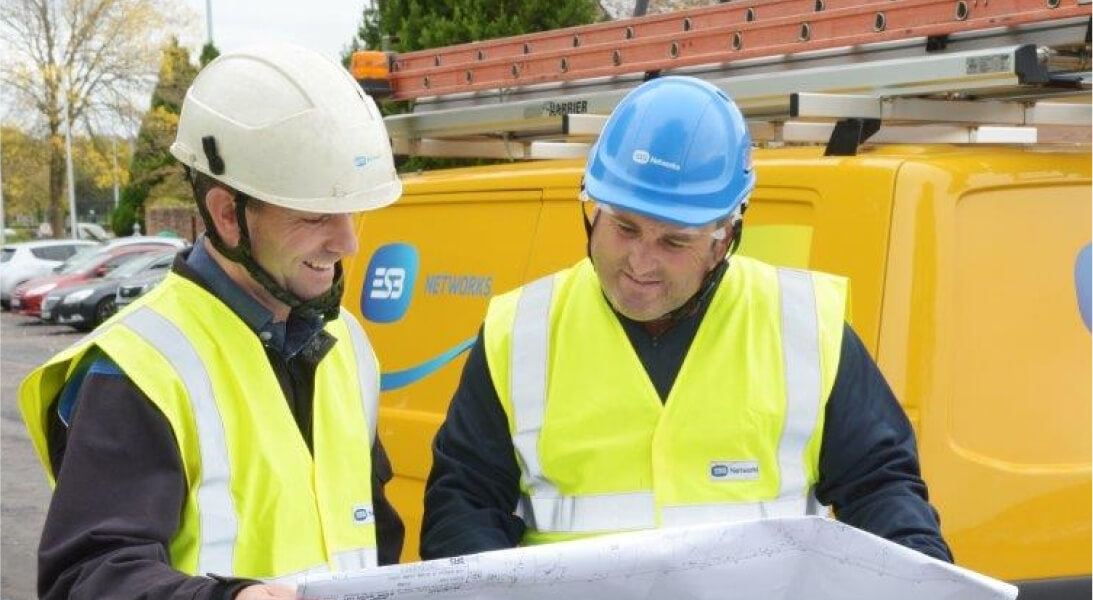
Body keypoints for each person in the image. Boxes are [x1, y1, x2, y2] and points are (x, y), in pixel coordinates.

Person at [420, 76, 952, 562]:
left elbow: (881, 489)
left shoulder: (805, 328)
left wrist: (922, 580)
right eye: (625, 228)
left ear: (725, 238)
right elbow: (463, 505)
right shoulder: (520, 332)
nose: (640, 262)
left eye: (674, 242)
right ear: (592, 206)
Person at [19, 43, 405, 599]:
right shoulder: (137, 368)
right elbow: (87, 576)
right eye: (316, 215)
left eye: (352, 213)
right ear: (228, 215)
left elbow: (372, 537)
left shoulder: (345, 341)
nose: (347, 242)